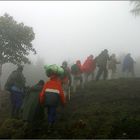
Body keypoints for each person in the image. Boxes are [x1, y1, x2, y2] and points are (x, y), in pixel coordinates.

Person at [39, 66, 66, 130]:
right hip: (54, 101)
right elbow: (62, 94)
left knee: (49, 112)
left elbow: (42, 93)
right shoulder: (58, 84)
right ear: (57, 77)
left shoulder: (47, 83)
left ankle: (50, 122)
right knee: (52, 112)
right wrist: (64, 102)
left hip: (47, 101)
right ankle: (50, 124)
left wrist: (41, 101)